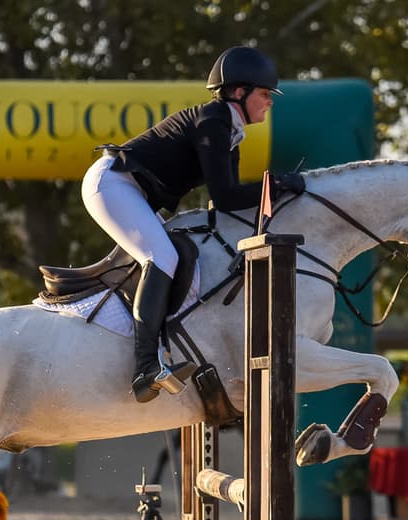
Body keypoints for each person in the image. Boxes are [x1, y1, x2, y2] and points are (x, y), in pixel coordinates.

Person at [82, 45, 306, 403]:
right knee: (163, 258)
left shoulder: (228, 130)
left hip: (131, 191)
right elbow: (229, 195)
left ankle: (161, 347)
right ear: (239, 92)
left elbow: (223, 202)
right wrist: (276, 185)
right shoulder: (213, 122)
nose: (270, 102)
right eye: (264, 94)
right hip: (112, 183)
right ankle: (144, 367)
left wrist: (272, 192)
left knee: (181, 254)